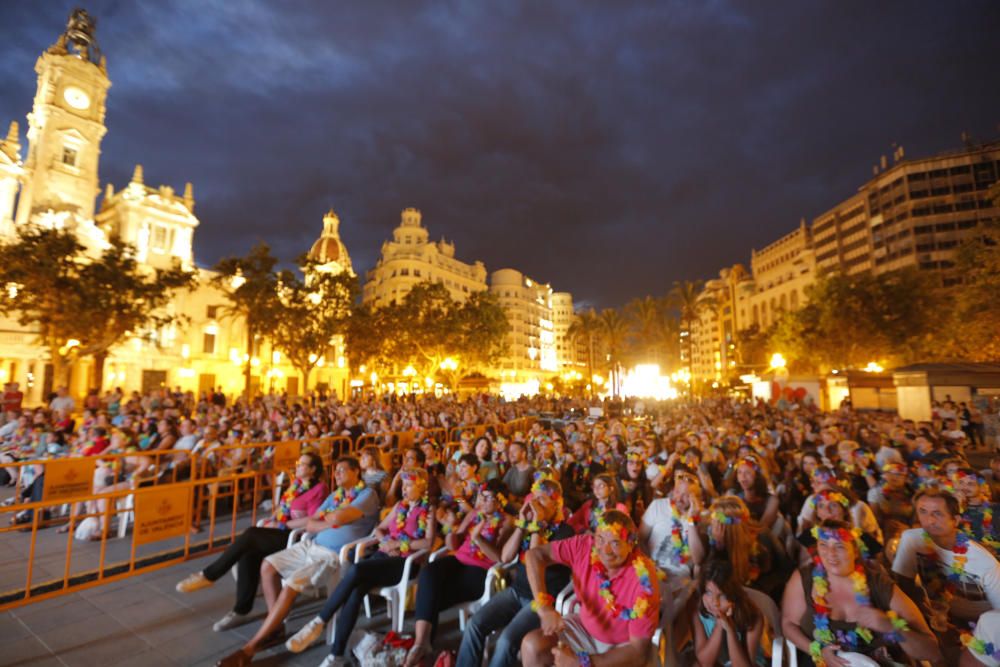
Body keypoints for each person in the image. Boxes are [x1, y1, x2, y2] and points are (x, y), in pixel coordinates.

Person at [215, 456, 379, 667]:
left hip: (331, 554)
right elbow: (312, 523)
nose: (337, 474)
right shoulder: (335, 495)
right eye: (335, 470)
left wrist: (328, 520)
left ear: (356, 472)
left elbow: (337, 518)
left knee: (291, 583)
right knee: (268, 566)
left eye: (342, 470)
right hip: (310, 544)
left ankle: (249, 649)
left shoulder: (367, 495)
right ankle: (275, 628)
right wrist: (329, 522)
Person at [285, 469, 437, 665]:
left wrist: (399, 545)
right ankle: (335, 655)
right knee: (356, 591)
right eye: (404, 485)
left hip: (405, 563)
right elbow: (379, 529)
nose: (404, 489)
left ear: (421, 487)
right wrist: (386, 542)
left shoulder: (428, 511)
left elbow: (428, 543)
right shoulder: (400, 506)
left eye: (408, 485)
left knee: (356, 570)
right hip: (383, 556)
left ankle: (319, 621)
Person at [175, 452, 328, 630]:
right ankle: (240, 610)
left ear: (313, 469)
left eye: (303, 464)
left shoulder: (320, 489)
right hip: (281, 531)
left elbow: (313, 520)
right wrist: (273, 519)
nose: (298, 466)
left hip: (297, 537)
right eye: (298, 462)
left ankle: (210, 575)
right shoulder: (297, 484)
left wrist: (283, 525)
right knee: (248, 553)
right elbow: (283, 507)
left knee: (250, 534)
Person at [783, 518, 940, 667]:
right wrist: (816, 651)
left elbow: (931, 650)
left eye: (839, 546)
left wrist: (891, 626)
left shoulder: (879, 584)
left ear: (855, 551)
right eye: (823, 544)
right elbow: (788, 624)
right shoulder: (804, 578)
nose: (830, 553)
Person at [455, 479, 574, 667]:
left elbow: (536, 558)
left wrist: (537, 524)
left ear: (557, 504)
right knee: (474, 625)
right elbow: (505, 556)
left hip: (541, 598)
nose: (536, 505)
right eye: (534, 499)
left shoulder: (566, 533)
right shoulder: (529, 527)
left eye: (542, 500)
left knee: (506, 641)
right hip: (517, 591)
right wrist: (521, 525)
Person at [520, 509, 660, 667]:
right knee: (532, 646)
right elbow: (534, 555)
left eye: (615, 543)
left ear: (630, 544)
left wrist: (582, 663)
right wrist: (544, 607)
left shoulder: (644, 580)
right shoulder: (584, 546)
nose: (605, 550)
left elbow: (638, 653)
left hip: (623, 646)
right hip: (584, 628)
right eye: (600, 539)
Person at [404, 479, 514, 666]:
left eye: (489, 498)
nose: (483, 501)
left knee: (431, 595)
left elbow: (499, 557)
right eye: (482, 497)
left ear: (500, 502)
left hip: (480, 570)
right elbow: (454, 544)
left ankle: (422, 647)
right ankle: (421, 643)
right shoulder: (474, 514)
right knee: (429, 571)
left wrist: (478, 538)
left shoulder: (507, 522)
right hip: (458, 560)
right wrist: (450, 530)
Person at [892, 488, 1000, 633]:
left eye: (937, 513)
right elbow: (904, 584)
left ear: (955, 520)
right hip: (938, 619)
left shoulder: (984, 562)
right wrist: (923, 615)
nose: (929, 521)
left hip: (980, 627)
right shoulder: (912, 539)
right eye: (923, 511)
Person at [705, 495, 790, 601]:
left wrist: (755, 590)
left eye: (714, 523)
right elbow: (711, 578)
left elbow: (785, 570)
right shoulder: (718, 543)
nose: (711, 528)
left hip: (762, 598)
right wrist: (717, 548)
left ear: (726, 529)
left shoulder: (763, 538)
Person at [692, 559, 768, 667]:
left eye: (722, 596)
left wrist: (730, 630)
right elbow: (705, 663)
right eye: (708, 593)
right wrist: (719, 624)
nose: (715, 602)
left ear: (734, 596)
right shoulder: (698, 614)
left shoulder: (753, 616)